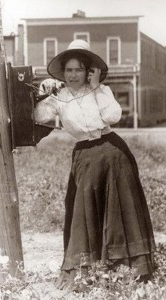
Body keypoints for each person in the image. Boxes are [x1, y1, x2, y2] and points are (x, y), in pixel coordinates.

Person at [34, 39, 156, 290]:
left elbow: (113, 116)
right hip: (85, 156)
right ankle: (86, 271)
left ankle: (125, 270)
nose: (73, 75)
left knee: (120, 210)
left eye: (78, 69)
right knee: (85, 210)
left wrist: (96, 87)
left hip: (113, 152)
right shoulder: (60, 97)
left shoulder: (103, 92)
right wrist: (43, 93)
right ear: (63, 73)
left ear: (89, 70)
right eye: (68, 70)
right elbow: (40, 117)